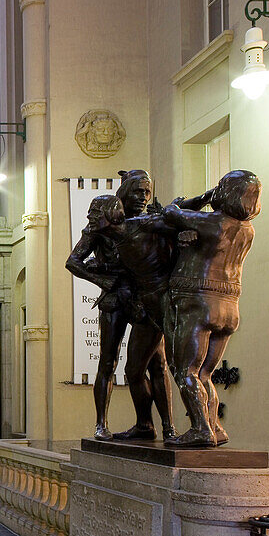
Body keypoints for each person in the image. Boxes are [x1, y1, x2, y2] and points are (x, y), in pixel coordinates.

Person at [65, 170, 174, 441]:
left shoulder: (150, 220)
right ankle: (101, 424)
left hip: (145, 298)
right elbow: (74, 261)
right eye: (138, 191)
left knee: (157, 364)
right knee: (108, 361)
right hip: (115, 299)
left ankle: (165, 427)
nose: (143, 197)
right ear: (124, 191)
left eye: (147, 192)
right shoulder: (104, 219)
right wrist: (102, 279)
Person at [161, 171, 260, 447]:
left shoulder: (213, 222)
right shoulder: (247, 230)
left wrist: (197, 199)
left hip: (199, 301)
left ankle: (200, 429)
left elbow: (170, 213)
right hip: (229, 306)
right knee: (205, 374)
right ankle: (215, 427)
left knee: (185, 371)